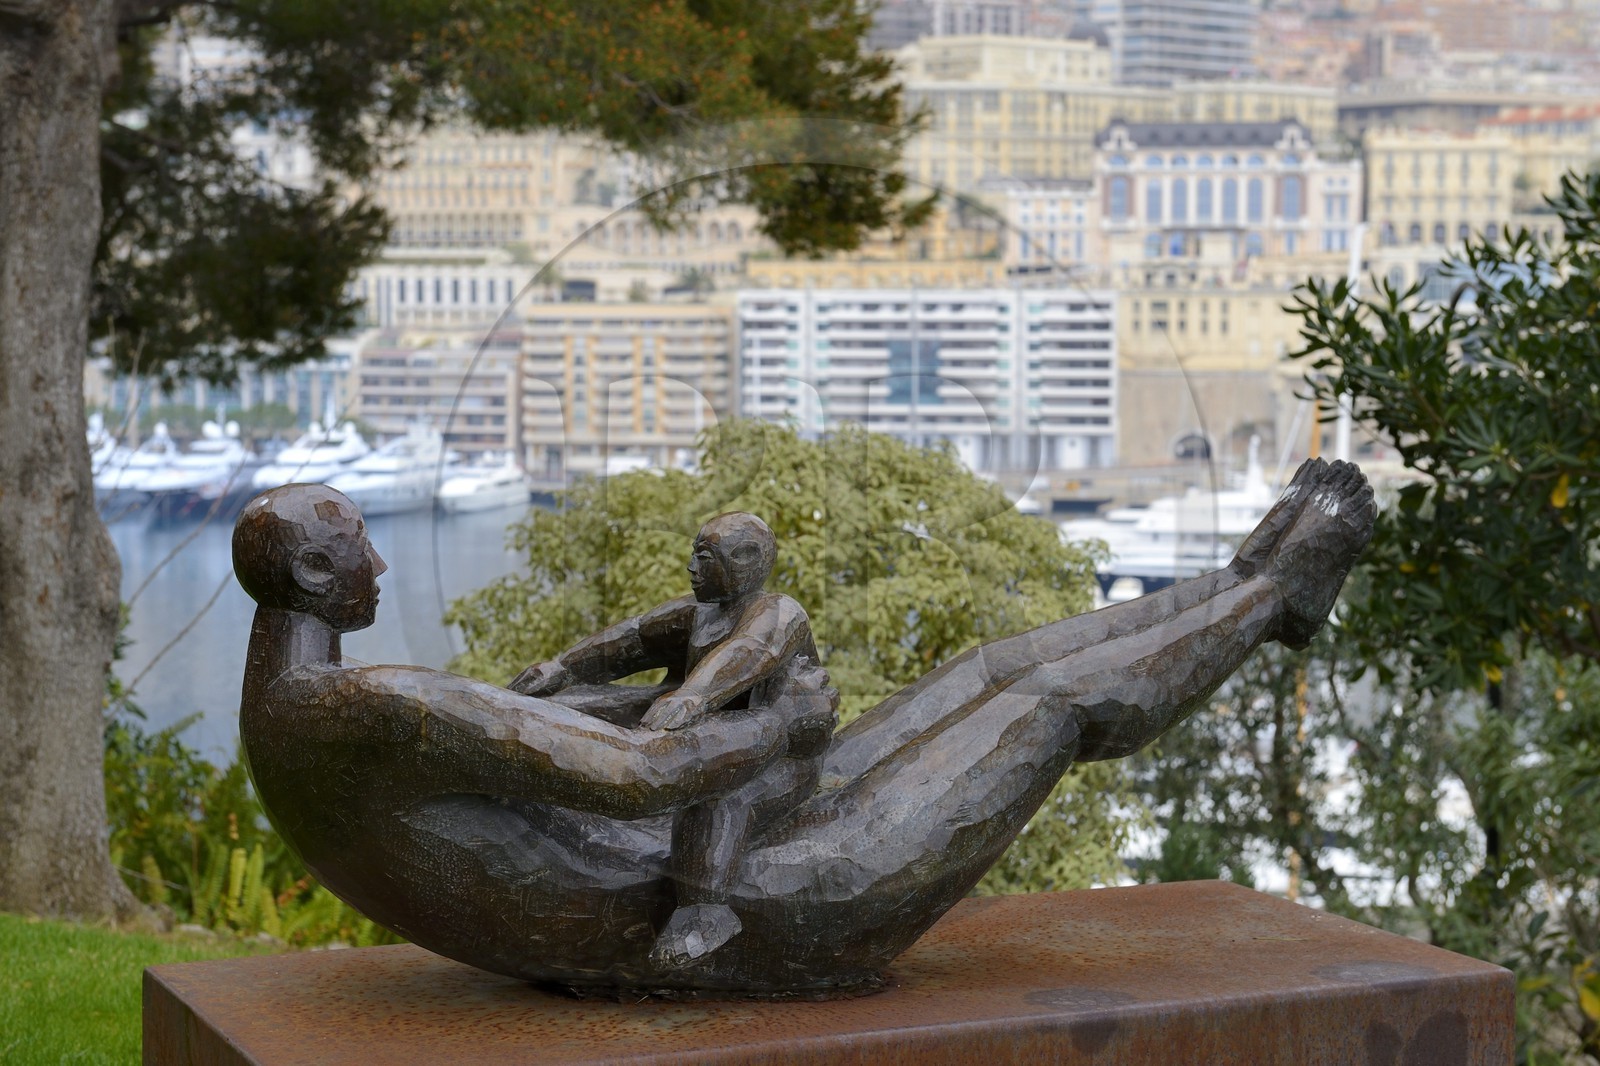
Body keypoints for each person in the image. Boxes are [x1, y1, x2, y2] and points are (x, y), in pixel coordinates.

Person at [231, 458, 1374, 995]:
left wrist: (722, 719)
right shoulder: (363, 705)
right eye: (358, 547)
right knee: (1043, 703)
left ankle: (1245, 583)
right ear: (320, 575)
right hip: (743, 900)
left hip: (676, 860)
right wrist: (786, 732)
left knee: (989, 664)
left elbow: (574, 730)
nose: (382, 561)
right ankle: (1273, 597)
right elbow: (639, 775)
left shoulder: (298, 710)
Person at [508, 513, 836, 968]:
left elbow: (751, 653)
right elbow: (634, 637)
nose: (691, 567)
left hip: (774, 757)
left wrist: (694, 697)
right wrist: (562, 668)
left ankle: (705, 910)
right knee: (582, 701)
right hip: (698, 733)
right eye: (694, 555)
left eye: (705, 557)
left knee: (723, 796)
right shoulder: (698, 614)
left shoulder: (779, 612)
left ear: (746, 561)